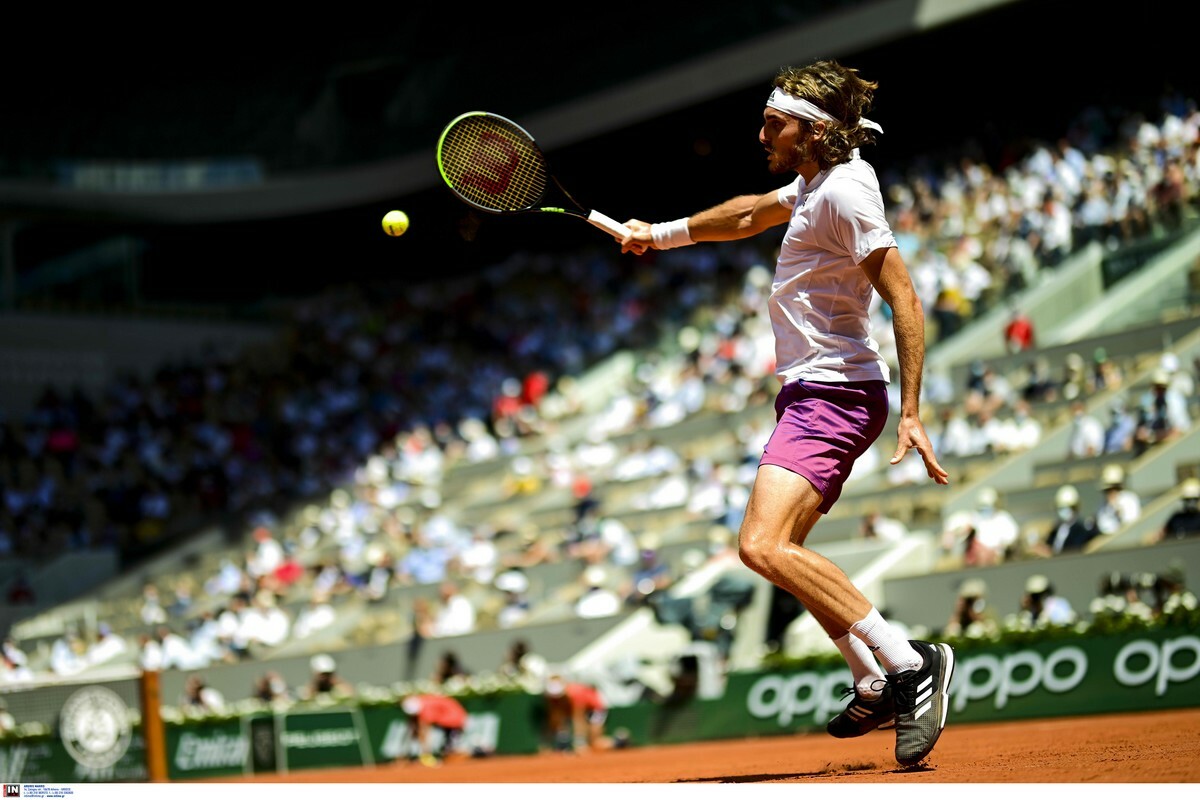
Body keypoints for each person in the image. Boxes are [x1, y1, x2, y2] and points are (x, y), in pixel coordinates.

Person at [617, 59, 952, 767]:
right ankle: (869, 673)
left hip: (834, 393)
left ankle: (908, 663)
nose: (761, 131)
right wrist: (661, 231)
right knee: (787, 556)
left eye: (774, 123)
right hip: (812, 393)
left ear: (814, 132)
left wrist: (914, 411)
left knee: (761, 546)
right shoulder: (813, 186)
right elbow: (746, 213)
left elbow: (905, 297)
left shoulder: (847, 196)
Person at [543, 675, 611, 753]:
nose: (557, 699)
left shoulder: (576, 693)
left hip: (596, 708)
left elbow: (579, 718)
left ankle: (618, 742)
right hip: (580, 710)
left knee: (594, 742)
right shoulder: (551, 698)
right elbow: (555, 717)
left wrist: (580, 742)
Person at [399, 693, 468, 766]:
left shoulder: (426, 709)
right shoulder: (421, 701)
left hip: (455, 720)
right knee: (448, 748)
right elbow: (415, 725)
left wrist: (425, 753)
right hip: (450, 718)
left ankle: (456, 754)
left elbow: (423, 730)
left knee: (450, 749)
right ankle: (449, 752)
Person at [1037, 484, 1098, 556]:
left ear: (1075, 508)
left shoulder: (1081, 530)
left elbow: (1075, 549)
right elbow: (1049, 545)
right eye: (1061, 508)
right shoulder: (1056, 529)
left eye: (1069, 508)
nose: (1064, 511)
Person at [1149, 477, 1200, 542]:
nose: (1190, 503)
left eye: (1193, 500)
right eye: (1188, 500)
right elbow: (1160, 534)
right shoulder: (1176, 518)